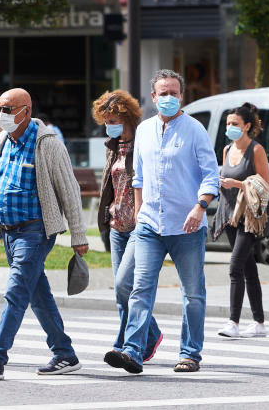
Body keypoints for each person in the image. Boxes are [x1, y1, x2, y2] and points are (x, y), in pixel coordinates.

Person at [0, 88, 89, 380]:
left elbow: (69, 190)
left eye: (8, 109)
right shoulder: (1, 140)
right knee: (37, 294)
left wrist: (79, 235)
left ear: (26, 110)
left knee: (16, 291)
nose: (2, 115)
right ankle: (64, 353)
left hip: (36, 231)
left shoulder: (48, 144)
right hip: (8, 231)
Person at [104, 69, 219, 374]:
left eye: (174, 93)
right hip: (149, 225)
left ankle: (190, 353)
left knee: (193, 292)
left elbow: (211, 175)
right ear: (153, 97)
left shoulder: (195, 130)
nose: (168, 98)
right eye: (163, 93)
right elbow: (139, 176)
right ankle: (133, 351)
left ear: (182, 96)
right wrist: (141, 210)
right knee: (137, 288)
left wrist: (199, 207)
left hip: (187, 227)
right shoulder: (144, 130)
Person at [92, 90, 163, 362]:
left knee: (125, 285)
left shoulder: (143, 143)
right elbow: (109, 186)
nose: (109, 125)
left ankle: (147, 334)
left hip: (138, 224)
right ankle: (127, 342)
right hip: (115, 226)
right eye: (106, 120)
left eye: (114, 119)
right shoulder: (112, 145)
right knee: (122, 293)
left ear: (128, 117)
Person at [212, 103, 269, 339]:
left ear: (247, 126)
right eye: (228, 124)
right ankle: (259, 323)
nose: (230, 127)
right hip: (230, 215)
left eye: (235, 124)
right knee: (249, 268)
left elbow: (266, 184)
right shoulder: (227, 150)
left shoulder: (256, 150)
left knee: (235, 266)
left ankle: (233, 322)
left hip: (250, 218)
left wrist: (236, 184)